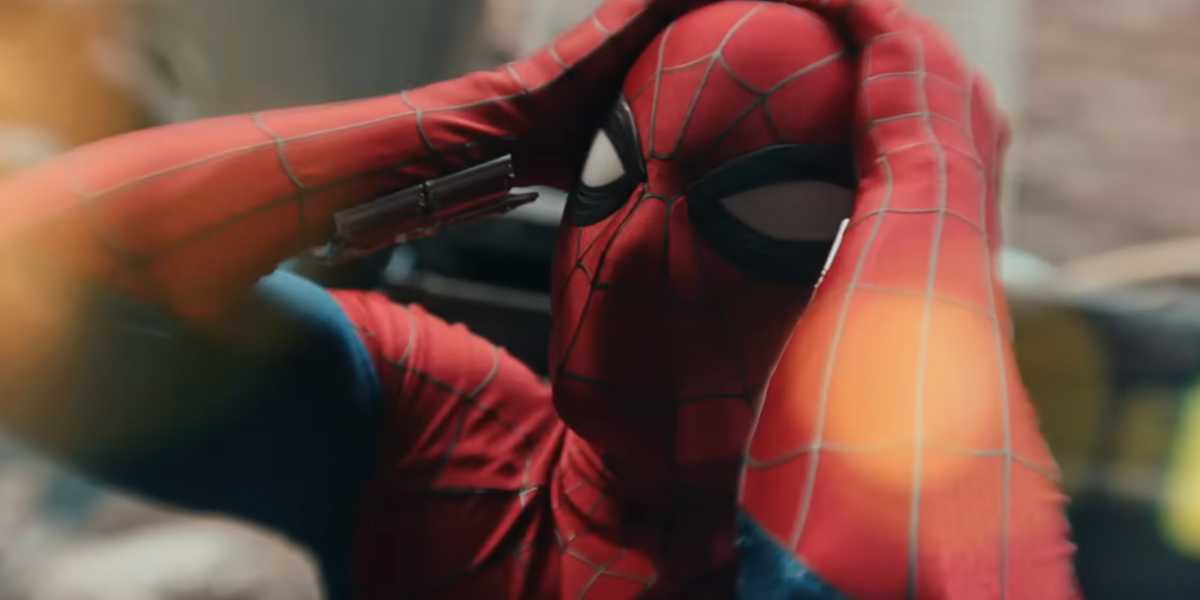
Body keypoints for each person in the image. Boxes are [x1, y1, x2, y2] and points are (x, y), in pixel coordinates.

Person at [0, 0, 1079, 598]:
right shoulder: (444, 429)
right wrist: (495, 116)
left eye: (763, 214)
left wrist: (934, 195)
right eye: (610, 175)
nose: (640, 251)